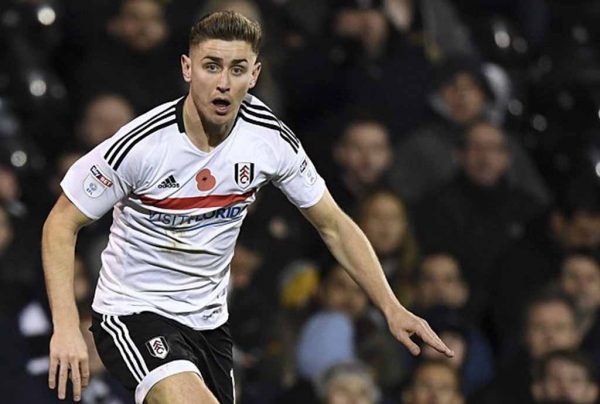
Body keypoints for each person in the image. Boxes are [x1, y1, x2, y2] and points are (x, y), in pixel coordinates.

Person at [41, 11, 452, 404]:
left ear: (254, 75)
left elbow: (333, 224)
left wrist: (392, 307)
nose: (223, 83)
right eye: (211, 66)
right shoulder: (143, 144)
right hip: (133, 312)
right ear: (187, 68)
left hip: (208, 323)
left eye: (237, 69)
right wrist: (66, 326)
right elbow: (60, 223)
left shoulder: (268, 139)